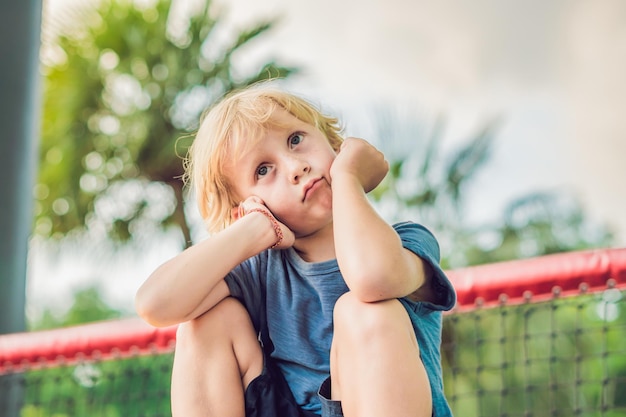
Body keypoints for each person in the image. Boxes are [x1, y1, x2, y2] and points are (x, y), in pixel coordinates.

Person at [135, 83, 456, 417]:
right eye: (263, 170)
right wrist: (252, 229)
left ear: (334, 145)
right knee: (205, 324)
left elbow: (372, 277)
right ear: (249, 206)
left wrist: (347, 176)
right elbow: (155, 304)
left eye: (296, 139)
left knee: (363, 310)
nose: (295, 166)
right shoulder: (261, 271)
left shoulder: (407, 242)